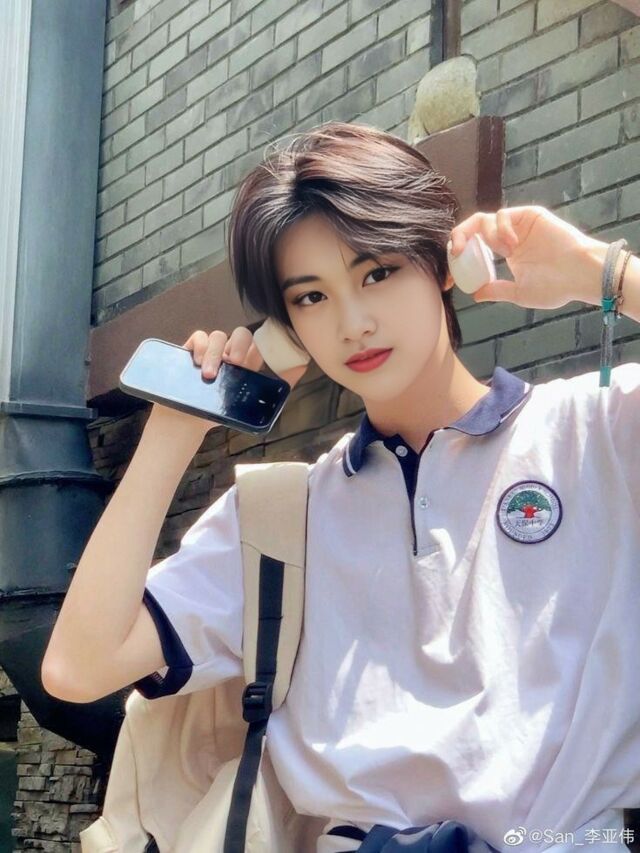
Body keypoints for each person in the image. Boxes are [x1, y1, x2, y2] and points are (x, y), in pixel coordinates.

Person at [41, 121, 640, 853]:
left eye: (377, 273)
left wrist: (603, 274)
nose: (352, 323)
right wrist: (176, 429)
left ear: (442, 262)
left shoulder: (598, 430)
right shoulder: (281, 516)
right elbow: (77, 667)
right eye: (311, 297)